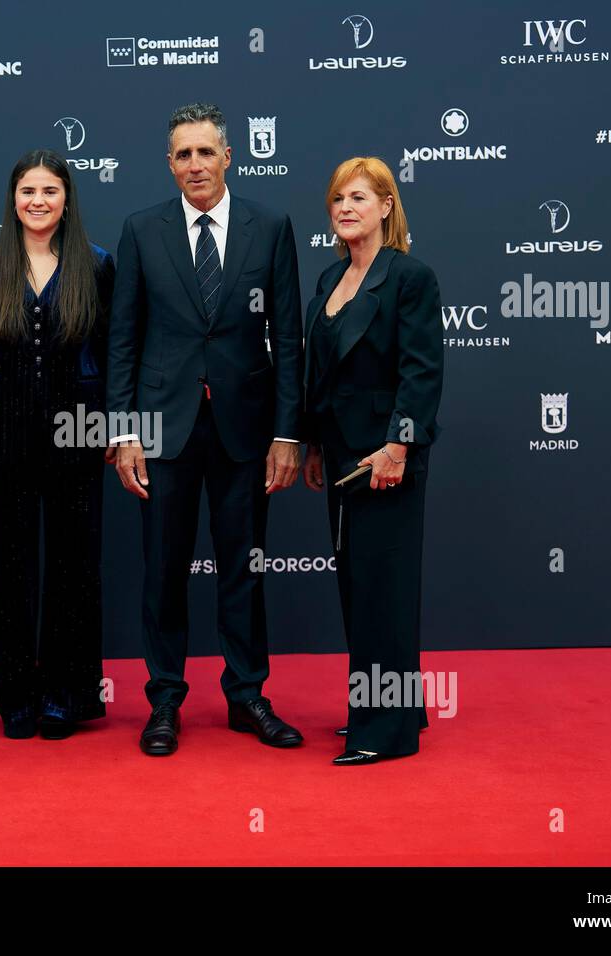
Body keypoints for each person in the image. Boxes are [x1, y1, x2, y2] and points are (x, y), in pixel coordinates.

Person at [106, 103, 305, 756]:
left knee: (243, 570)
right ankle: (164, 701)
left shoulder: (270, 227)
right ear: (170, 164)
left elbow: (289, 338)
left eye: (205, 152)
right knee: (162, 571)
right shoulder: (142, 230)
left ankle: (247, 695)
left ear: (228, 156)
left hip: (245, 433)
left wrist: (286, 434)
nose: (194, 164)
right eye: (182, 155)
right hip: (163, 430)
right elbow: (124, 339)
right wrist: (124, 431)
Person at [0, 150, 115, 740]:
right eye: (28, 191)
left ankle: (66, 696)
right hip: (4, 433)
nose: (38, 201)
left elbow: (114, 353)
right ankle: (17, 698)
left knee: (75, 566)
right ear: (13, 199)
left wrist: (114, 428)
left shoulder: (97, 266)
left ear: (67, 198)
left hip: (81, 432)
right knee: (10, 567)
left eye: (50, 190)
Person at [300, 156, 443, 765]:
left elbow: (422, 370)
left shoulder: (410, 278)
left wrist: (398, 445)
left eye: (359, 198)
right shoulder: (328, 281)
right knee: (358, 583)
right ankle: (395, 702)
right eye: (338, 200)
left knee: (384, 585)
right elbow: (321, 373)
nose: (346, 209)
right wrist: (310, 443)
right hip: (339, 454)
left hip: (387, 456)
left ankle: (384, 733)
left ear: (387, 206)